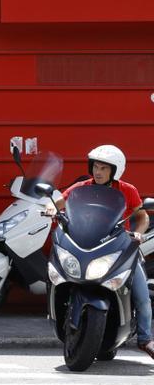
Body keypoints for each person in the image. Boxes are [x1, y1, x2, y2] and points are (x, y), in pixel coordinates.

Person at [49, 145, 154, 359]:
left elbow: (142, 216)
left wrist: (139, 233)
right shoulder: (82, 187)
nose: (98, 172)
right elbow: (60, 202)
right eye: (96, 166)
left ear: (115, 170)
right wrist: (52, 209)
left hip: (120, 244)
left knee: (142, 295)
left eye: (104, 168)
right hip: (86, 243)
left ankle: (145, 339)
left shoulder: (127, 189)